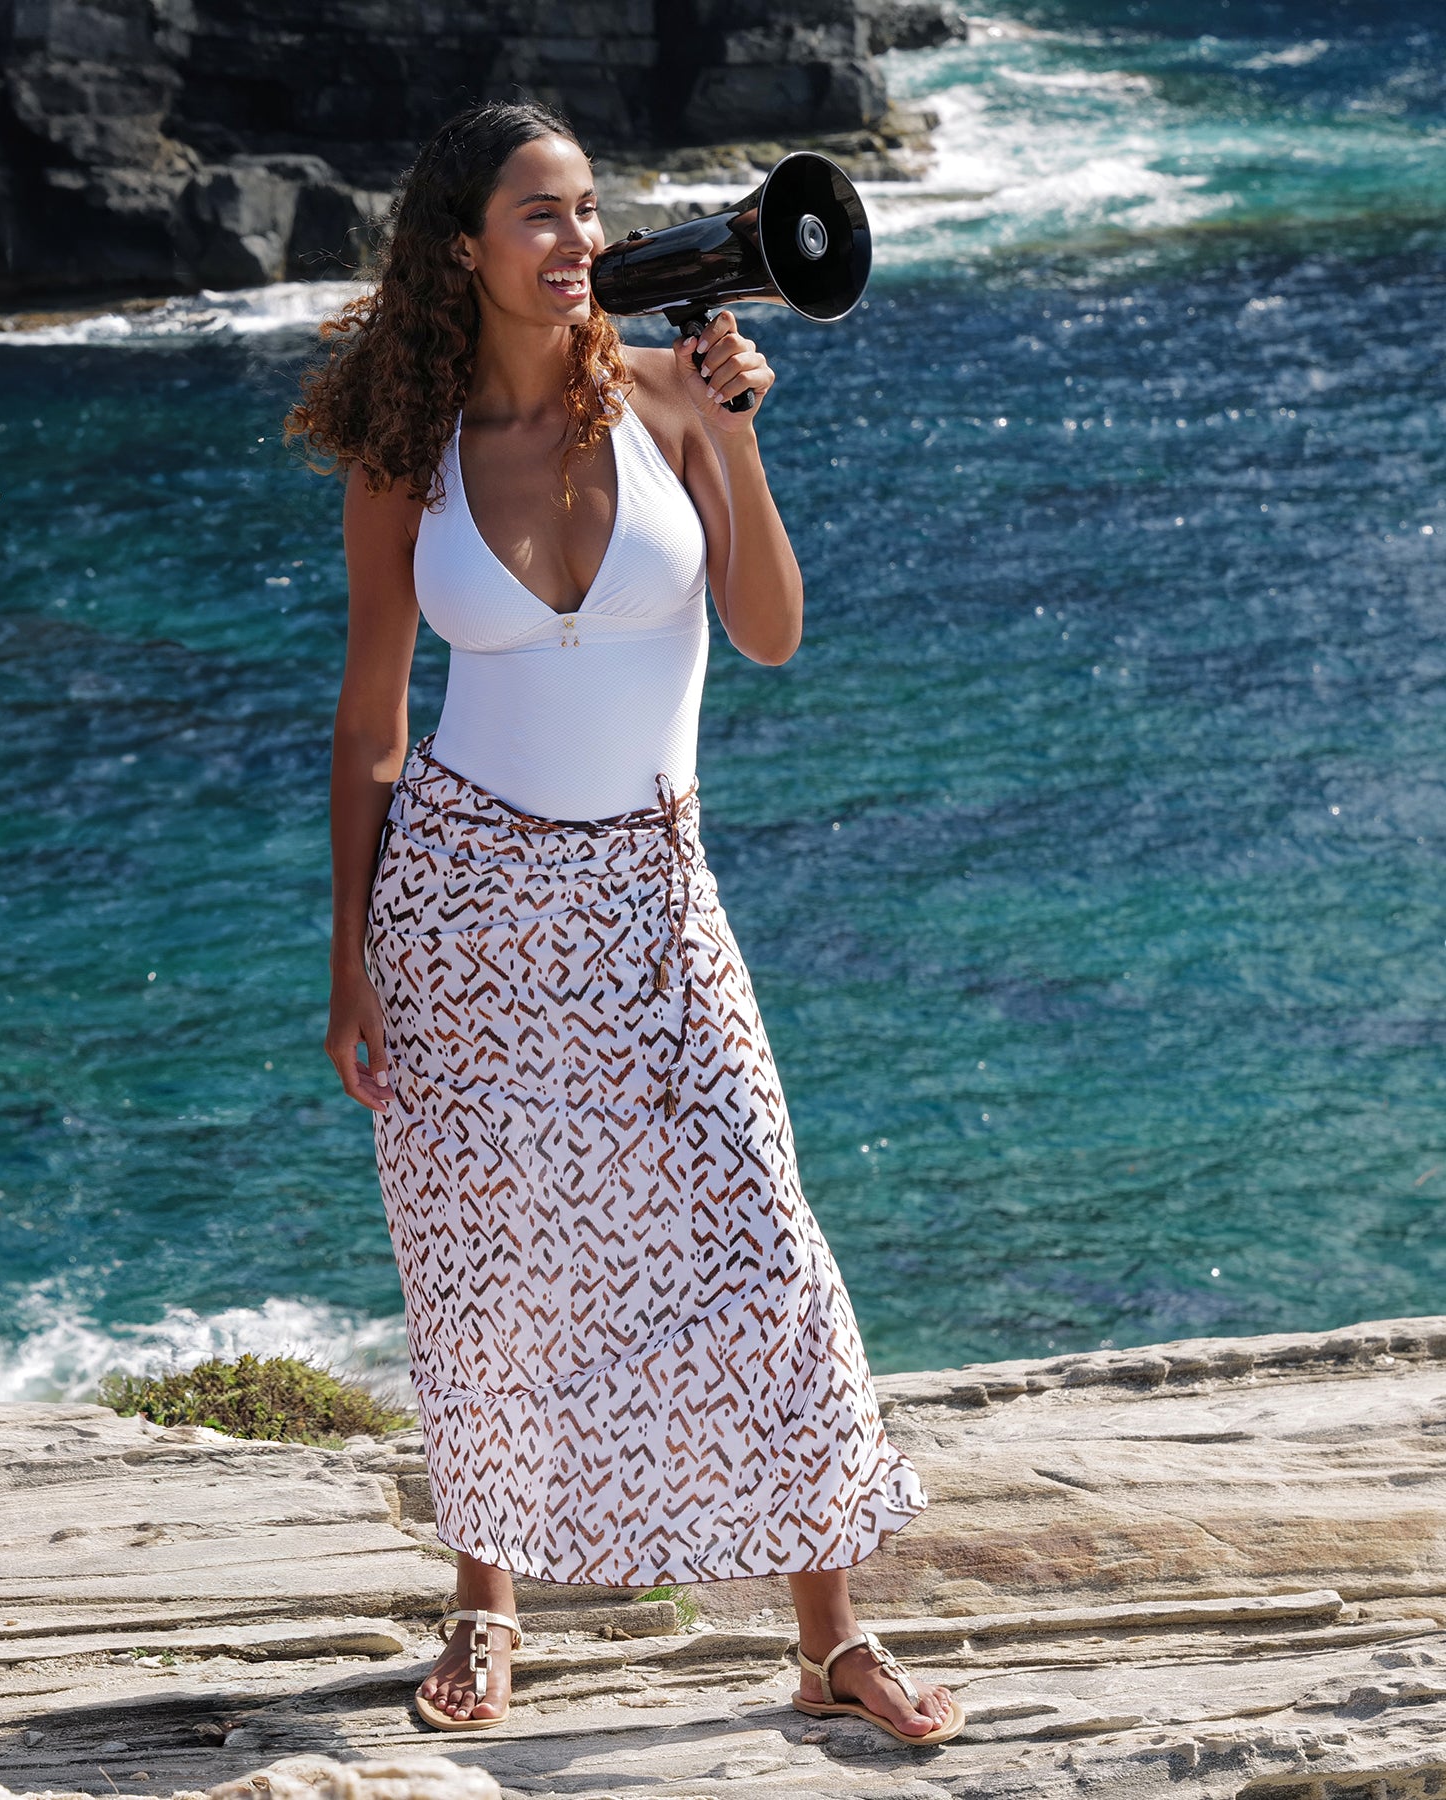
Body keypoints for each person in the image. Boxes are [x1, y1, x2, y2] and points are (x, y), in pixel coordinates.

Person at [285, 98, 962, 1747]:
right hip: (466, 910)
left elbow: (774, 632)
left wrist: (734, 435)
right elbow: (373, 717)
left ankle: (828, 1638)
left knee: (763, 1237)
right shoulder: (410, 452)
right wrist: (349, 953)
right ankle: (484, 1605)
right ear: (465, 247)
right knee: (486, 1269)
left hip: (656, 907)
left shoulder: (670, 396)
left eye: (589, 210)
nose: (581, 240)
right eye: (541, 214)